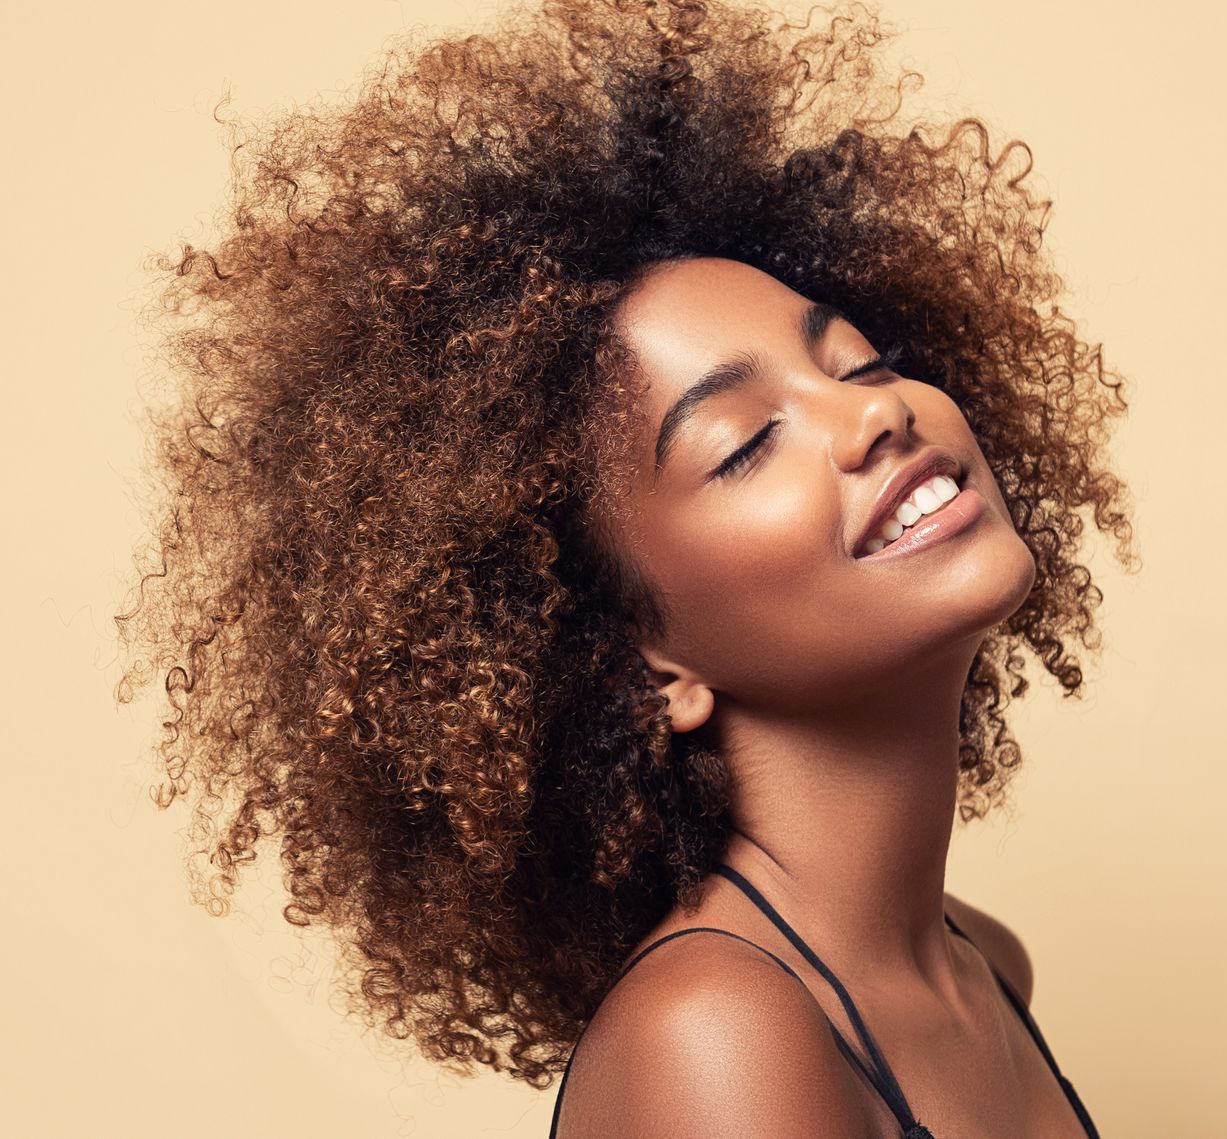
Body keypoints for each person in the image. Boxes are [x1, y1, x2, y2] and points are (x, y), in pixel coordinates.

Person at [115, 0, 1136, 1134]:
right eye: (744, 443)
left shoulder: (983, 964)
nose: (875, 416)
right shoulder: (717, 1035)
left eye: (858, 360)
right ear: (647, 663)